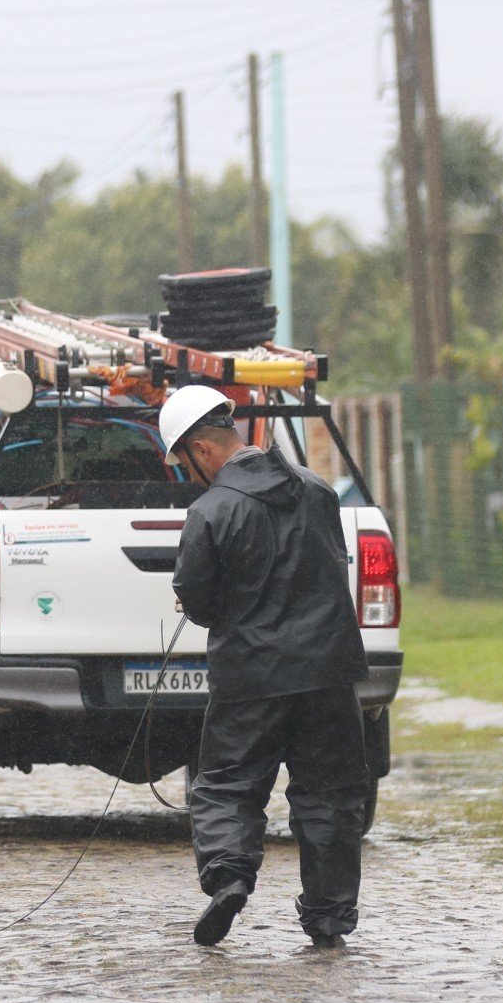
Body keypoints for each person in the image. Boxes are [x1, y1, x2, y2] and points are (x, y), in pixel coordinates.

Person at [158, 384, 370, 951]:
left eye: (184, 463)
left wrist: (196, 599)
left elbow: (200, 602)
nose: (188, 475)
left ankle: (229, 878)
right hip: (328, 671)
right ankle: (328, 918)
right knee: (329, 794)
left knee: (228, 785)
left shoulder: (209, 512)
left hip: (251, 678)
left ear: (201, 450)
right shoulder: (319, 491)